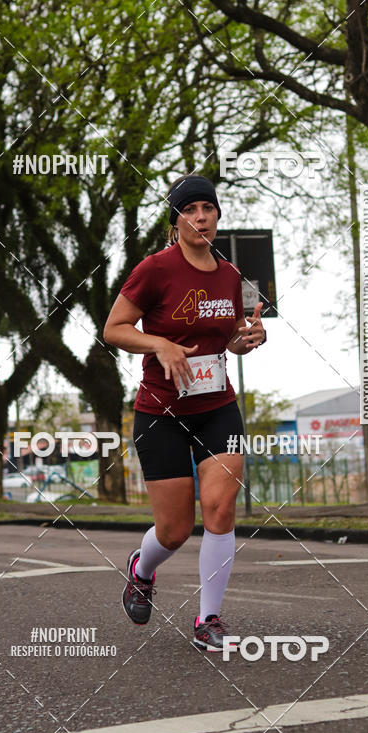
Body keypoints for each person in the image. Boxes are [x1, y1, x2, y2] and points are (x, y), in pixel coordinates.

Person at [103, 174, 266, 650]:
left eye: (208, 209)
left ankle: (208, 619)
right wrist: (160, 344)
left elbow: (232, 338)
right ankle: (142, 568)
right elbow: (114, 328)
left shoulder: (232, 275)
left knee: (220, 508)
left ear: (217, 215)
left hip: (217, 408)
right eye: (190, 210)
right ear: (175, 220)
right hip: (161, 412)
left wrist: (246, 340)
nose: (201, 217)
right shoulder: (154, 269)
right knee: (174, 530)